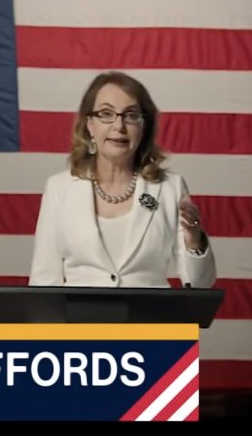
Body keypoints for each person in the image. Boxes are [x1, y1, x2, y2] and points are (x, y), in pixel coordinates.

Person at [28, 71, 217, 289]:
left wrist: (194, 241)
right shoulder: (59, 189)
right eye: (106, 114)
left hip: (150, 320)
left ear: (143, 126)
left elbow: (201, 285)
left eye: (131, 115)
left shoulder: (169, 187)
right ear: (89, 124)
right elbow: (43, 284)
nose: (119, 126)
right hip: (80, 321)